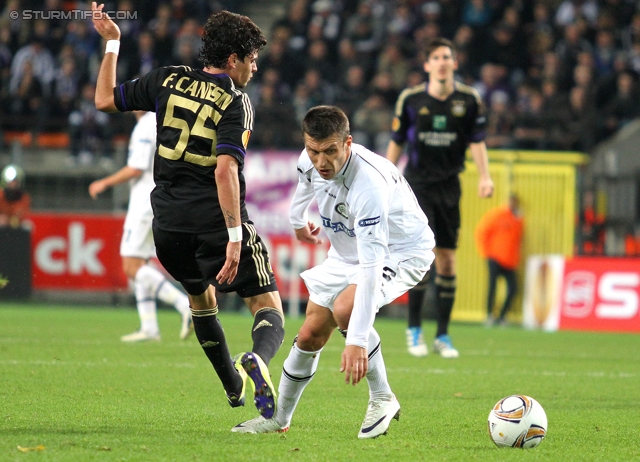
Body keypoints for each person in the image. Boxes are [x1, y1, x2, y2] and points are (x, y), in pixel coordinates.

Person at [91, 4, 285, 419]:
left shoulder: (168, 78)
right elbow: (225, 169)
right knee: (268, 306)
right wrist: (235, 237)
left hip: (168, 226)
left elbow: (104, 100)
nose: (254, 68)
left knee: (201, 300)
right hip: (214, 223)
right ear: (233, 60)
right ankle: (259, 361)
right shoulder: (236, 101)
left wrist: (112, 42)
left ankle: (233, 389)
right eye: (251, 59)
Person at [231, 106, 435, 438]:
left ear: (348, 143)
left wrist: (356, 340)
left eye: (330, 151)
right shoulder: (308, 160)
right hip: (347, 252)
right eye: (314, 151)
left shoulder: (368, 185)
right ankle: (278, 417)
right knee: (311, 333)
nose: (321, 161)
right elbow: (304, 186)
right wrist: (298, 222)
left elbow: (371, 268)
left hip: (400, 252)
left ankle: (383, 397)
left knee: (346, 310)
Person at [386, 37, 494, 359]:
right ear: (427, 65)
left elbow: (477, 141)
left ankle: (443, 336)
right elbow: (396, 141)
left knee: (447, 258)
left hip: (450, 187)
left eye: (448, 56)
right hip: (417, 187)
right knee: (422, 257)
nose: (443, 61)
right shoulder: (410, 99)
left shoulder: (469, 100)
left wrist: (485, 176)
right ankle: (414, 329)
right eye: (436, 57)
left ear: (455, 63)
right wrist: (383, 178)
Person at [89, 111, 193, 342]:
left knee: (130, 266)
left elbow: (136, 167)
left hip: (145, 202)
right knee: (140, 263)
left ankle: (184, 305)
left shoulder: (147, 124)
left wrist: (104, 182)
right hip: (156, 198)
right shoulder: (160, 121)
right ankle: (149, 327)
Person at [474, 194, 524, 326]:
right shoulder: (497, 215)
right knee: (492, 286)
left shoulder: (518, 219)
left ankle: (502, 316)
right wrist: (485, 252)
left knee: (513, 288)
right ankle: (489, 315)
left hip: (510, 261)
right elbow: (482, 232)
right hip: (495, 257)